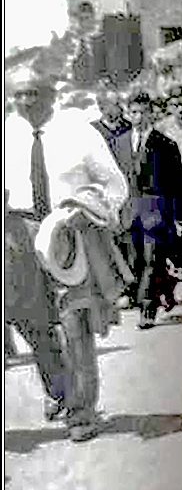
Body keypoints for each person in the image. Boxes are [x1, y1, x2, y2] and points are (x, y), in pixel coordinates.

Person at [5, 64, 129, 441]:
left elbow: (114, 184)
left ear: (51, 94)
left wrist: (86, 208)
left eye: (34, 92)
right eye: (19, 93)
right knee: (30, 322)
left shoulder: (78, 132)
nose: (26, 100)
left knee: (75, 324)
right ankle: (60, 389)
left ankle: (82, 413)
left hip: (69, 232)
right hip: (19, 234)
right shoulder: (8, 132)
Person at [127, 93, 182, 328]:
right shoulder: (119, 143)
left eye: (143, 112)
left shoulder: (164, 144)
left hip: (155, 207)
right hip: (128, 208)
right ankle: (166, 284)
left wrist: (180, 215)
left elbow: (178, 183)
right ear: (128, 114)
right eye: (134, 112)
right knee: (136, 260)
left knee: (151, 259)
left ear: (151, 113)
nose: (139, 117)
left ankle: (147, 308)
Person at [93, 83, 136, 287]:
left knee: (131, 238)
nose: (120, 107)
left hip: (129, 191)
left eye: (120, 103)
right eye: (115, 103)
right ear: (102, 106)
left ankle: (133, 285)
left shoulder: (130, 128)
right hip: (103, 193)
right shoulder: (92, 131)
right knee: (110, 240)